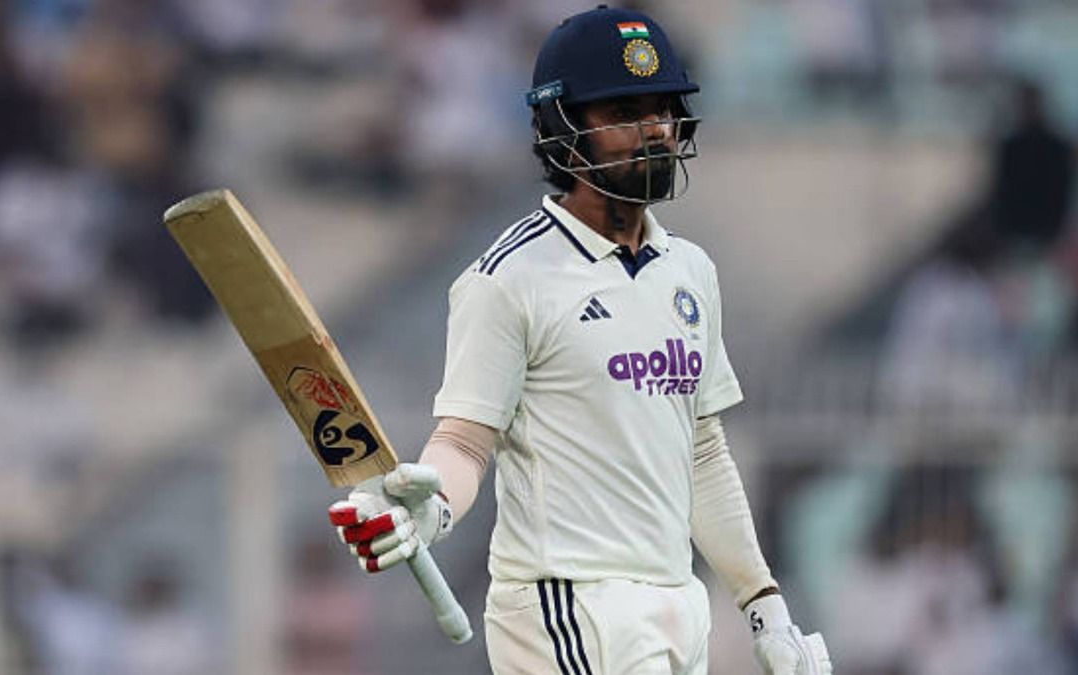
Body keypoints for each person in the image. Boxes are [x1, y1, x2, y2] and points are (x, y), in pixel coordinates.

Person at [327, 6, 832, 674]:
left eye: (663, 109)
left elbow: (702, 452)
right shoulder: (508, 279)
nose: (654, 131)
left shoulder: (691, 271)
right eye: (623, 112)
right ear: (562, 128)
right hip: (566, 602)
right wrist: (434, 505)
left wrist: (764, 606)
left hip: (677, 602)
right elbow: (465, 441)